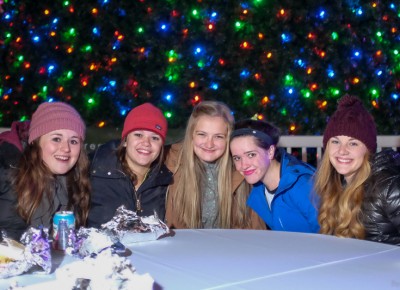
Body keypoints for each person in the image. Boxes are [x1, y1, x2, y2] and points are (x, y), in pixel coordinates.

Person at [164, 101, 265, 229]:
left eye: (218, 137)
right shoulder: (171, 161)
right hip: (182, 245)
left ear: (228, 138)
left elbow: (254, 227)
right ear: (191, 135)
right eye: (202, 134)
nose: (209, 144)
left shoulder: (242, 167)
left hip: (228, 246)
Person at [315, 94, 400, 244]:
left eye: (353, 143)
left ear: (367, 150)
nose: (342, 151)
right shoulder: (334, 186)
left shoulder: (388, 186)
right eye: (335, 142)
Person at [0, 102, 90, 240]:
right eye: (56, 139)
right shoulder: (7, 171)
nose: (66, 148)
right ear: (36, 142)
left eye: (73, 141)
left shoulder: (77, 179)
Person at [87, 103, 173, 228]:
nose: (146, 143)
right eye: (138, 135)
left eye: (155, 138)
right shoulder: (94, 172)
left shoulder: (166, 182)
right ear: (126, 140)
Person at [230, 119, 320, 233]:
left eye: (251, 155)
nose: (243, 165)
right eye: (237, 158)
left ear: (270, 151)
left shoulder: (301, 185)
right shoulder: (259, 190)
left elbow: (330, 234)